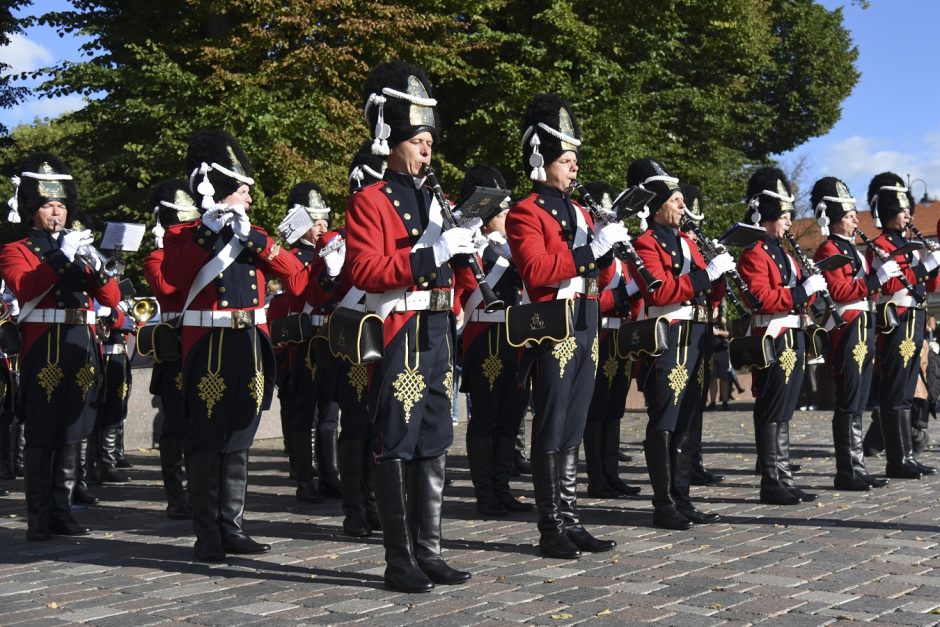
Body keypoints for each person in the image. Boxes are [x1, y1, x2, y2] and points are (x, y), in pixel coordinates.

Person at [345, 60, 474, 592]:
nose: (427, 149)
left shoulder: (435, 197)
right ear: (392, 139)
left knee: (436, 438)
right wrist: (429, 255)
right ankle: (399, 559)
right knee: (396, 439)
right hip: (400, 330)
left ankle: (431, 550)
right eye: (418, 139)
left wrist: (463, 261)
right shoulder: (370, 200)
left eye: (429, 140)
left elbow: (451, 267)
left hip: (439, 327)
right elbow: (366, 271)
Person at [162, 130, 303, 560]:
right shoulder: (184, 234)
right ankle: (207, 534)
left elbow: (295, 274)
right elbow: (172, 282)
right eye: (243, 190)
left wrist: (255, 239)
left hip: (251, 344)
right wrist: (206, 233)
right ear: (220, 192)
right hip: (210, 346)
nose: (249, 197)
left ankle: (233, 525)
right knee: (206, 438)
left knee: (240, 437)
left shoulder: (254, 233)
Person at [505, 93, 623, 558]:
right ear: (544, 161)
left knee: (575, 423)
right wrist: (589, 252)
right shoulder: (524, 211)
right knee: (552, 422)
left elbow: (602, 275)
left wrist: (609, 252)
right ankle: (550, 523)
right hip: (555, 322)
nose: (575, 168)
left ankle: (571, 517)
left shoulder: (580, 211)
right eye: (568, 160)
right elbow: (536, 270)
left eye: (575, 160)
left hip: (588, 319)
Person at [0, 152, 124, 540]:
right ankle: (38, 516)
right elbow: (26, 287)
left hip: (79, 343)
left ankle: (62, 509)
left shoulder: (77, 246)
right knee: (42, 429)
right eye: (49, 205)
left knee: (73, 428)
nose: (57, 212)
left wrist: (94, 262)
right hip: (43, 345)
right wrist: (61, 254)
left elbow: (111, 296)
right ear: (33, 211)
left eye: (62, 205)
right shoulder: (15, 249)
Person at [627, 159, 727, 529]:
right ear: (656, 205)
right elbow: (660, 290)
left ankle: (682, 496)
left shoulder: (688, 241)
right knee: (666, 418)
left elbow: (711, 290)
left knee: (688, 420)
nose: (682, 206)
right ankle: (663, 501)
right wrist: (705, 276)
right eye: (675, 199)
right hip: (669, 337)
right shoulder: (645, 242)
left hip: (697, 335)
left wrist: (720, 272)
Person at [738, 167, 826, 506]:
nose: (789, 222)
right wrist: (801, 293)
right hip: (773, 334)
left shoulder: (784, 252)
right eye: (785, 216)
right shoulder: (753, 252)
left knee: (785, 408)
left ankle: (784, 476)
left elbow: (799, 293)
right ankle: (771, 480)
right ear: (769, 215)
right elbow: (759, 298)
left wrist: (812, 288)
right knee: (773, 406)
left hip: (793, 333)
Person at [458, 163, 533, 516]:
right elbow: (470, 293)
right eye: (503, 211)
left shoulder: (509, 246)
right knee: (486, 418)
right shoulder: (470, 244)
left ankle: (502, 486)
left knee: (510, 416)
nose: (509, 215)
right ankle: (484, 492)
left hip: (514, 337)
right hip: (485, 336)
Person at [811, 176, 895, 490]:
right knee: (849, 398)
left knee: (860, 399)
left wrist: (880, 276)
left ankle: (857, 466)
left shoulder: (851, 248)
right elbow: (839, 290)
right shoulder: (828, 248)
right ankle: (847, 469)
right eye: (848, 216)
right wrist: (874, 281)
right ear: (833, 219)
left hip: (864, 323)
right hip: (846, 327)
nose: (854, 220)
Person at [866, 172, 940, 478]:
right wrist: (922, 268)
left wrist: (933, 266)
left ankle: (907, 455)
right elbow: (892, 284)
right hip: (896, 319)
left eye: (908, 208)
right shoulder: (880, 244)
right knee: (895, 391)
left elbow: (927, 286)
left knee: (908, 390)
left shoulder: (908, 242)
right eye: (902, 209)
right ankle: (896, 459)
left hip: (915, 317)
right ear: (888, 213)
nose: (908, 213)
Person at [278, 182, 341, 503]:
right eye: (314, 221)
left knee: (330, 413)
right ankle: (305, 478)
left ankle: (330, 474)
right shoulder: (291, 256)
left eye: (324, 221)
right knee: (306, 413)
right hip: (305, 341)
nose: (321, 227)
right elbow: (302, 293)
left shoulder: (330, 250)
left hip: (330, 337)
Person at [580, 180, 643, 499]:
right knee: (598, 408)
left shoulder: (622, 252)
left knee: (615, 407)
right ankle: (597, 476)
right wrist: (623, 293)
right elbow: (591, 299)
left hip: (622, 335)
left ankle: (612, 472)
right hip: (600, 334)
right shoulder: (591, 252)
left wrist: (635, 297)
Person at [142, 179, 201, 518]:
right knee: (175, 424)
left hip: (203, 342)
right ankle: (176, 496)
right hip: (175, 345)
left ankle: (201, 490)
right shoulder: (157, 257)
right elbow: (168, 284)